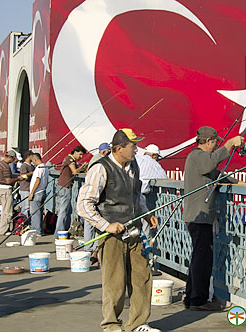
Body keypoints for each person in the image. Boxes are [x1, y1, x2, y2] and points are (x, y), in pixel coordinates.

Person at [77, 128, 161, 332]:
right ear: (119, 148)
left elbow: (137, 196)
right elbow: (84, 204)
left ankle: (138, 324)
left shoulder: (134, 167)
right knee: (115, 283)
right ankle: (111, 325)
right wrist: (106, 225)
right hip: (111, 235)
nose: (137, 149)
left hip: (134, 231)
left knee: (142, 278)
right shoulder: (100, 168)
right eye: (133, 146)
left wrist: (146, 213)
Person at [182, 126, 245, 311]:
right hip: (198, 218)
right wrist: (230, 144)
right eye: (215, 142)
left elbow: (217, 175)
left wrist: (241, 183)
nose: (216, 145)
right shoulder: (197, 156)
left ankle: (192, 298)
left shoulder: (202, 162)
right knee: (203, 259)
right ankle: (198, 301)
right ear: (208, 141)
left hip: (200, 218)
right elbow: (211, 164)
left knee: (198, 258)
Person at [54, 145, 87, 238]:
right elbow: (75, 172)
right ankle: (58, 233)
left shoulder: (69, 159)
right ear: (75, 152)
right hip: (65, 187)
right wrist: (83, 166)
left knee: (66, 210)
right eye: (80, 155)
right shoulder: (70, 159)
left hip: (63, 186)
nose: (80, 157)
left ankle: (62, 231)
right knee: (63, 211)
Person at [0, 150, 23, 235]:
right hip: (6, 189)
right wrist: (18, 179)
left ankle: (3, 229)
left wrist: (17, 176)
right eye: (13, 158)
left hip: (0, 188)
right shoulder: (6, 166)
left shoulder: (0, 164)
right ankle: (4, 230)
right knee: (7, 211)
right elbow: (8, 180)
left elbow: (7, 176)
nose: (14, 160)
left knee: (4, 210)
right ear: (10, 157)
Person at [28, 153, 49, 236]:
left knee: (35, 213)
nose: (33, 163)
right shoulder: (45, 168)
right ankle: (40, 229)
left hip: (37, 193)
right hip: (42, 191)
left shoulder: (39, 168)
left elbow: (37, 180)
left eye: (33, 161)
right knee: (40, 212)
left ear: (35, 160)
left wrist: (31, 193)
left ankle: (36, 231)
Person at [19, 151, 35, 217]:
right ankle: (23, 222)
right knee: (25, 207)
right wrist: (31, 173)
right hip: (25, 189)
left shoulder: (32, 166)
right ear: (28, 156)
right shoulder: (24, 166)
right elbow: (23, 176)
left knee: (30, 207)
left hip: (30, 189)